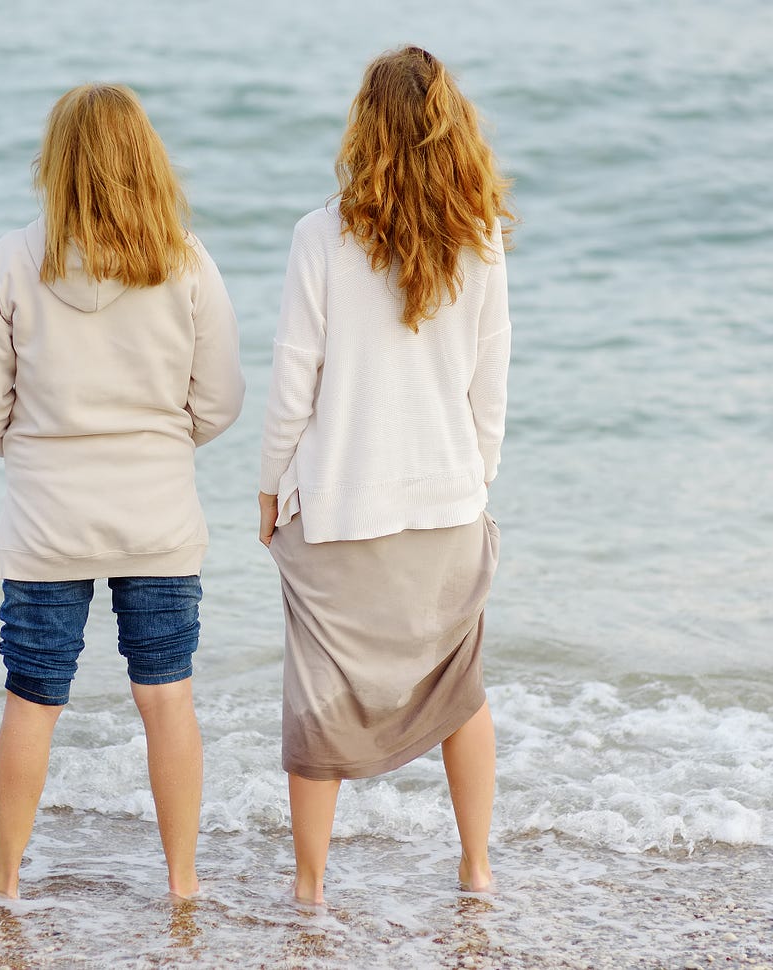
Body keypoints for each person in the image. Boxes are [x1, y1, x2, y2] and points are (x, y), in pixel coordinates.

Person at [0, 83, 244, 900]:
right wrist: (160, 444)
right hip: (158, 517)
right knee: (167, 698)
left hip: (46, 522)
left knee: (32, 699)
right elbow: (219, 397)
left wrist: (38, 451)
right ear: (143, 158)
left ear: (58, 163)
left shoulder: (14, 258)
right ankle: (182, 884)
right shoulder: (183, 258)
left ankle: (6, 881)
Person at [257, 46, 514, 905]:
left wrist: (270, 487)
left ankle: (310, 889)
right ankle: (476, 871)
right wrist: (472, 486)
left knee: (320, 703)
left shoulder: (319, 237)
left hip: (340, 509)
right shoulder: (477, 239)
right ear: (453, 127)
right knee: (459, 693)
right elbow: (491, 382)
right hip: (447, 505)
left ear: (364, 127)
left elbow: (297, 379)